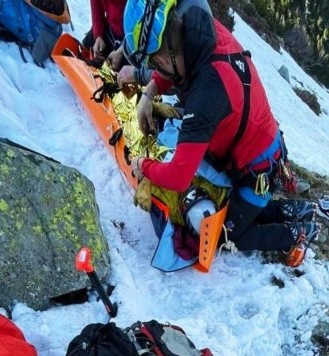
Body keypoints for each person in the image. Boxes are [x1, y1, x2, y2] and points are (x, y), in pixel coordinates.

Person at [123, 0, 323, 267]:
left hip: (256, 172)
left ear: (161, 56)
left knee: (225, 235)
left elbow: (178, 177)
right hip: (264, 147)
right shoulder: (203, 33)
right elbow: (177, 66)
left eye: (155, 63)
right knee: (235, 210)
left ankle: (295, 234)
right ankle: (294, 210)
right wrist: (150, 91)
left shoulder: (207, 94)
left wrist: (141, 165)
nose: (156, 68)